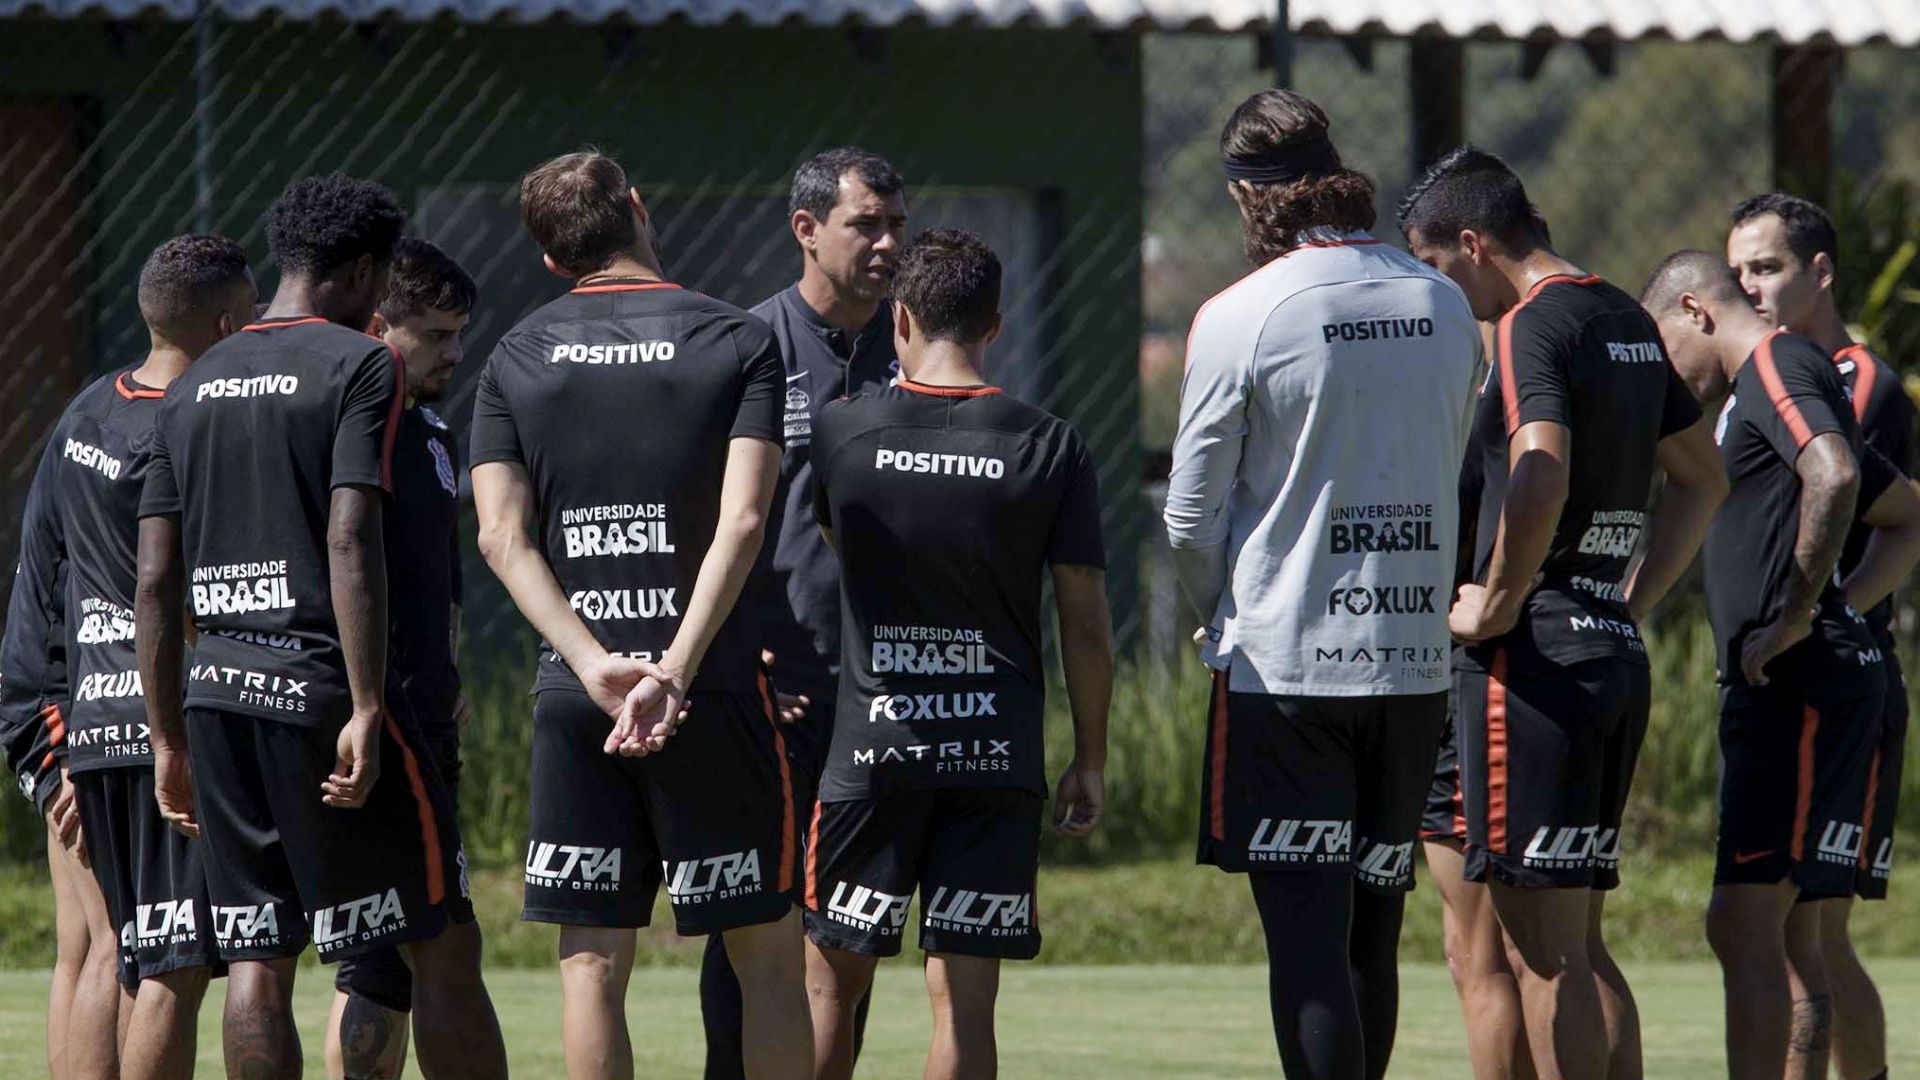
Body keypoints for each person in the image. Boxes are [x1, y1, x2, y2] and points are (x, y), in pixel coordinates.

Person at [134, 173, 506, 1080]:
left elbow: (152, 579)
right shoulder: (361, 364)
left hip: (218, 696)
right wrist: (371, 705)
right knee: (441, 944)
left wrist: (168, 736)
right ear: (367, 271)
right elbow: (350, 534)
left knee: (257, 963)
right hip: (323, 694)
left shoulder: (195, 381)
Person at [469, 150, 810, 1080]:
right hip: (714, 689)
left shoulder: (514, 356)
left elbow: (502, 538)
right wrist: (675, 670)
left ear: (550, 258)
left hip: (580, 699)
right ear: (639, 208)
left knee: (590, 966)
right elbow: (743, 520)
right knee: (768, 958)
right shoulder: (739, 339)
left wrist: (592, 663)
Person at [1164, 89, 1481, 1080]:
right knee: (1371, 936)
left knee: (1306, 945)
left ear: (1243, 194)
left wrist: (1213, 605)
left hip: (1288, 670)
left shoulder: (1239, 314)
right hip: (1412, 669)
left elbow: (1187, 514)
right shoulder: (1442, 299)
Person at [1399, 148, 1728, 1080]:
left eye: (1434, 266)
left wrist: (1497, 600)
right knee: (1577, 946)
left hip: (1528, 664)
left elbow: (1540, 464)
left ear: (1472, 244)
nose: (1439, 289)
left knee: (1537, 959)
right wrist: (1628, 600)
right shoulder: (1624, 314)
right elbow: (1703, 477)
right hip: (1604, 648)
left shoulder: (1525, 325)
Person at [802, 227, 1114, 1080]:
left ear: (899, 318)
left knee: (830, 993)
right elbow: (1084, 622)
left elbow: (836, 551)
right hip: (997, 753)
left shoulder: (841, 432)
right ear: (996, 326)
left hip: (873, 753)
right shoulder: (1051, 444)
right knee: (965, 1005)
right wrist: (1089, 757)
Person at [1641, 250, 1920, 1080]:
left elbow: (1834, 474)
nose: (1667, 380)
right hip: (1804, 683)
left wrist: (1803, 615)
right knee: (1795, 933)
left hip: (1795, 689)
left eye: (1662, 351)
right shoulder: (1757, 392)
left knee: (1745, 922)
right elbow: (1904, 511)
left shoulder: (1775, 362)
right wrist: (1843, 607)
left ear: (1693, 311)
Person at [705, 146, 906, 1079]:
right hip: (773, 691)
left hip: (885, 697)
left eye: (895, 223)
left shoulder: (919, 344)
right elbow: (710, 532)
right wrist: (743, 662)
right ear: (807, 229)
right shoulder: (748, 347)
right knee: (751, 930)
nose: (887, 242)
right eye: (866, 223)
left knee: (851, 943)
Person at [46, 235, 254, 1080]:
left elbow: (48, 577)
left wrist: (48, 733)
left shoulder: (86, 412)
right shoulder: (197, 423)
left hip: (92, 719)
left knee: (113, 955)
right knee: (173, 968)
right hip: (167, 718)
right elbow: (175, 592)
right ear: (226, 318)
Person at [1727, 192, 1913, 1080]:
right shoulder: (1767, 367)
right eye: (1737, 274)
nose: (1750, 288)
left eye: (1767, 268)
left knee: (1808, 929)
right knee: (1814, 930)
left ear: (1820, 272)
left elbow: (1881, 509)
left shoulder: (1848, 380)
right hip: (1810, 680)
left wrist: (1825, 610)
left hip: (1838, 685)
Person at [323, 237, 485, 1080]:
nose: (456, 353)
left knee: (379, 962)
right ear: (382, 324)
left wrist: (448, 668)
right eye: (438, 334)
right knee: (446, 948)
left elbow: (441, 573)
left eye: (462, 333)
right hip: (376, 727)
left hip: (426, 716)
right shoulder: (344, 423)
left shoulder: (431, 430)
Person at [3, 369, 121, 1080]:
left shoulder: (89, 410)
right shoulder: (117, 422)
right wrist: (73, 744)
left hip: (55, 698)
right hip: (71, 704)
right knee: (122, 944)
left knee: (80, 945)